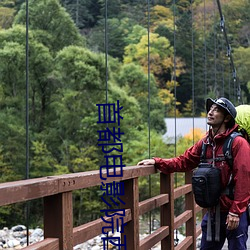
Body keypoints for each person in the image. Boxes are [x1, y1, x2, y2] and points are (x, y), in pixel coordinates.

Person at [137, 97, 250, 250]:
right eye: (210, 109)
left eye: (216, 110)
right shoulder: (205, 143)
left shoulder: (238, 143)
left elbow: (244, 178)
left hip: (233, 211)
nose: (210, 112)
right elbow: (184, 161)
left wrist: (236, 212)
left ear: (227, 118)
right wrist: (157, 162)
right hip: (213, 211)